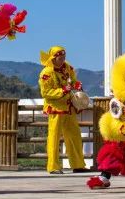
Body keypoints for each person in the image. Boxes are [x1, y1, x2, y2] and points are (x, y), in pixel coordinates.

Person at [38, 46, 89, 174]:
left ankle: (78, 165)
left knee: (75, 136)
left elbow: (73, 81)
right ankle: (53, 167)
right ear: (53, 58)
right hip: (56, 109)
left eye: (64, 58)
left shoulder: (68, 68)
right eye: (60, 58)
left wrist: (77, 85)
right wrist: (63, 90)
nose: (62, 60)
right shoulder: (46, 73)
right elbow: (45, 92)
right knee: (54, 138)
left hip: (69, 107)